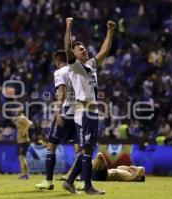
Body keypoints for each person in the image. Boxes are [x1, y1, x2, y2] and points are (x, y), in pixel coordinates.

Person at [62, 17, 116, 195]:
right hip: (83, 110)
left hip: (92, 110)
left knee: (88, 149)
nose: (84, 49)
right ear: (74, 54)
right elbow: (67, 48)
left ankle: (70, 182)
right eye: (80, 49)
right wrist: (69, 26)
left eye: (84, 47)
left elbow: (104, 51)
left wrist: (110, 31)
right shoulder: (74, 66)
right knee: (87, 150)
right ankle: (88, 187)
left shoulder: (91, 65)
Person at [35, 49, 79, 190]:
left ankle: (48, 181)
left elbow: (61, 90)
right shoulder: (76, 70)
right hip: (78, 112)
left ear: (56, 61)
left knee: (51, 146)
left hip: (66, 112)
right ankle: (82, 181)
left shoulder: (60, 72)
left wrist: (58, 111)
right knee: (79, 148)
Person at [14, 108, 33, 179]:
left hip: (23, 140)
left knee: (21, 157)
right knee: (22, 157)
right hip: (21, 140)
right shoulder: (19, 118)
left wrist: (24, 132)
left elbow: (30, 123)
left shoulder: (22, 117)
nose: (15, 112)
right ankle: (25, 174)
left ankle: (24, 174)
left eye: (16, 111)